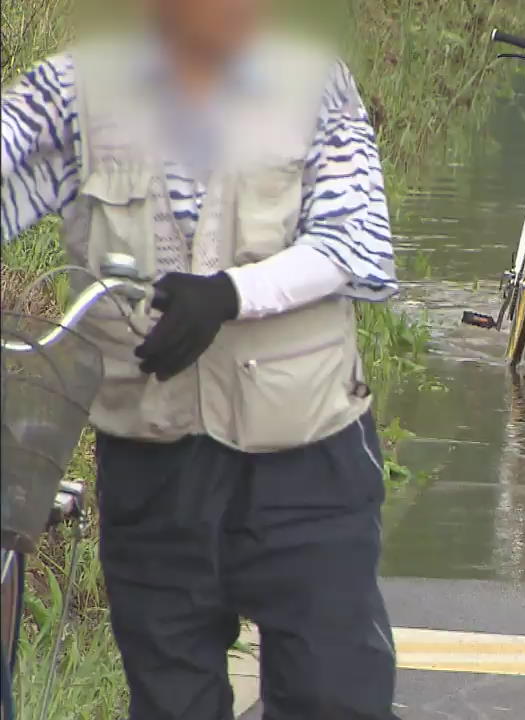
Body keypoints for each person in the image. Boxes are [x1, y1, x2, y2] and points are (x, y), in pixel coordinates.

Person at [1, 1, 399, 718]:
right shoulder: (73, 95)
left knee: (334, 695)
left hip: (307, 460)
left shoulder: (314, 87)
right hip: (152, 464)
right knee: (170, 700)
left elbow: (353, 242)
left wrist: (229, 295)